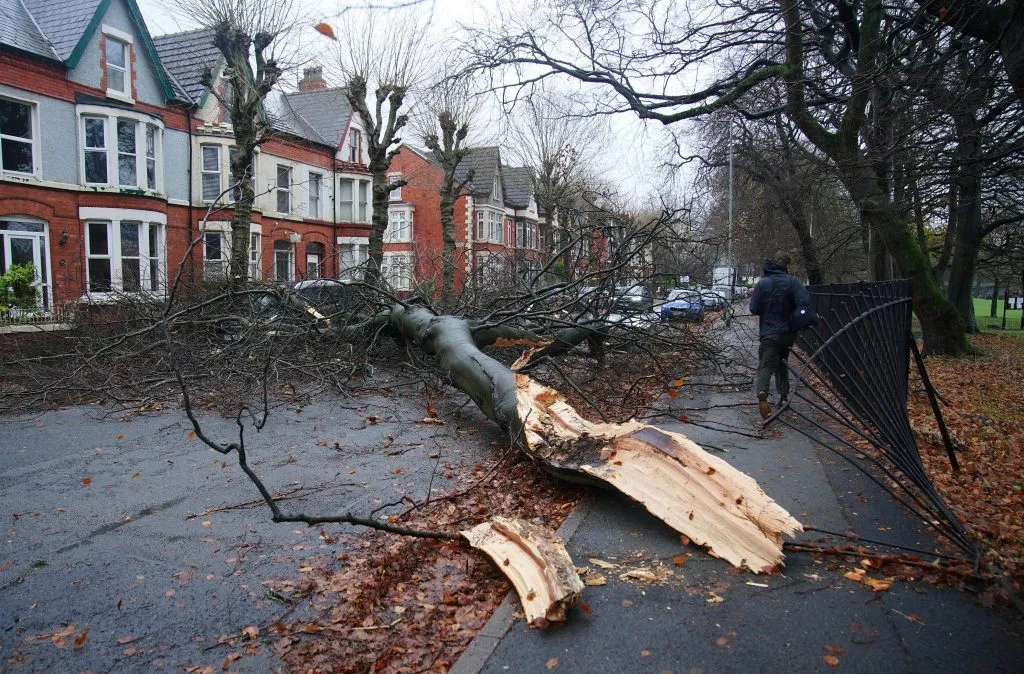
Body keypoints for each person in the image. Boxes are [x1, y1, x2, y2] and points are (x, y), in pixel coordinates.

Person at [748, 252, 810, 419]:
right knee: (782, 362)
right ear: (785, 266)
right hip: (788, 332)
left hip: (769, 333)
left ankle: (762, 391)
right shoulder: (793, 282)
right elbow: (804, 301)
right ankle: (783, 396)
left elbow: (753, 308)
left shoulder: (763, 284)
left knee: (766, 365)